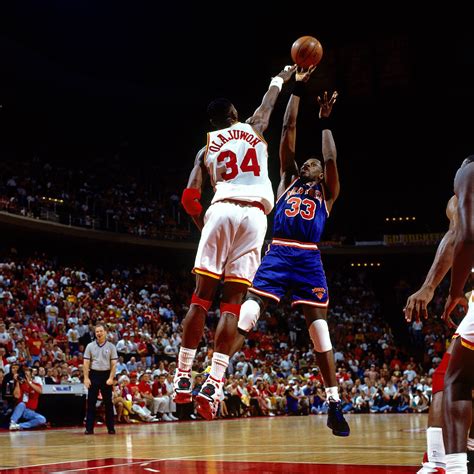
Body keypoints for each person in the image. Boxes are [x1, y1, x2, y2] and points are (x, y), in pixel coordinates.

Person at [202, 67, 350, 436]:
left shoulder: (327, 194)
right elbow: (287, 130)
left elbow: (331, 158)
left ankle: (334, 402)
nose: (313, 163)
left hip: (309, 258)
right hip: (279, 252)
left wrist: (326, 122)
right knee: (248, 314)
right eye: (309, 161)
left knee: (320, 334)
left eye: (317, 163)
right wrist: (297, 90)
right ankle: (215, 379)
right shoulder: (286, 180)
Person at [173, 64, 296, 415]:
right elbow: (269, 105)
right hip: (255, 216)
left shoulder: (205, 148)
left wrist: (205, 226)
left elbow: (189, 198)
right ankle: (213, 383)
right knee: (233, 303)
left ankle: (183, 375)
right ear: (235, 115)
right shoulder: (253, 128)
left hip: (221, 208)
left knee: (200, 299)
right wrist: (281, 78)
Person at [404, 156, 474, 474]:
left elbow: (461, 235)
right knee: (447, 377)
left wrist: (441, 288)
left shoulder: (464, 184)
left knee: (450, 380)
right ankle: (438, 460)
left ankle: (441, 461)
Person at [441, 157, 474, 474]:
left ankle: (453, 467)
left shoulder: (468, 169)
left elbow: (465, 235)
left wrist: (455, 292)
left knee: (455, 380)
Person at [83, 323, 118, 434]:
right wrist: (86, 378)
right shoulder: (90, 346)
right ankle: (89, 429)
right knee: (91, 403)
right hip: (94, 374)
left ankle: (111, 428)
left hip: (106, 375)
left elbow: (114, 364)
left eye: (100, 331)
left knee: (108, 403)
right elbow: (86, 363)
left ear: (105, 332)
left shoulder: (111, 347)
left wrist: (111, 378)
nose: (99, 333)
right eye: (97, 331)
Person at [9, 366, 46, 430]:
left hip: (29, 411)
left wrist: (29, 382)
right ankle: (12, 422)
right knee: (22, 404)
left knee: (42, 419)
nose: (26, 376)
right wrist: (17, 382)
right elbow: (16, 396)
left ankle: (18, 426)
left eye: (27, 374)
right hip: (20, 409)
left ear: (31, 375)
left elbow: (40, 391)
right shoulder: (20, 384)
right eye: (25, 374)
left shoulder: (36, 385)